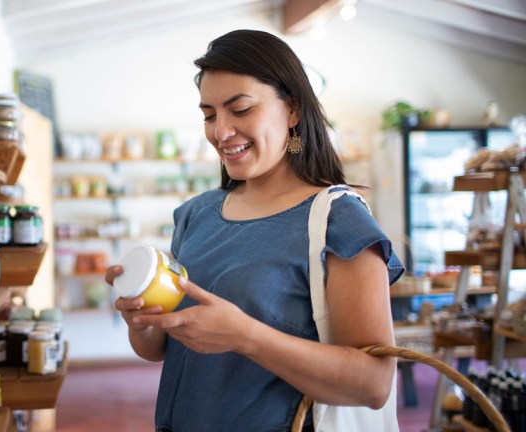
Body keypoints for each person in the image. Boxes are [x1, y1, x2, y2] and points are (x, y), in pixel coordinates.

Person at [105, 29, 404, 431]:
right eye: (209, 115)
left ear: (293, 110)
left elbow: (373, 383)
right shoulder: (198, 214)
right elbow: (160, 350)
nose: (220, 131)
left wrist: (246, 336)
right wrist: (142, 321)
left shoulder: (338, 221)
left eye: (240, 109)